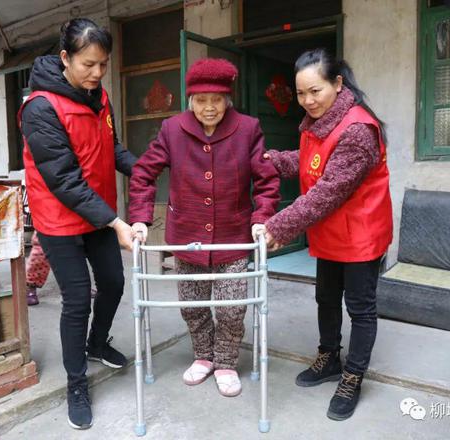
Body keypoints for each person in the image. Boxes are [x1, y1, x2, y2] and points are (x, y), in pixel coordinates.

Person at [129, 58, 280, 398]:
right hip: (187, 237)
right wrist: (140, 217)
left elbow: (267, 180)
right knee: (192, 306)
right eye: (201, 100)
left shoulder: (248, 128)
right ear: (190, 100)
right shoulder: (172, 129)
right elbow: (143, 173)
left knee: (232, 307)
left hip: (233, 236)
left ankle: (225, 361)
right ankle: (203, 356)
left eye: (216, 99)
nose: (209, 107)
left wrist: (262, 218)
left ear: (228, 99)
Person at [18, 18, 137, 430]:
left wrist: (147, 168)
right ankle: (76, 382)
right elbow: (64, 181)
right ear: (65, 58)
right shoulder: (40, 108)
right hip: (60, 220)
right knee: (77, 299)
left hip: (98, 212)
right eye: (89, 64)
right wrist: (117, 223)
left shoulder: (98, 97)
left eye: (103, 64)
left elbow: (111, 148)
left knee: (114, 282)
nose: (97, 73)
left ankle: (97, 343)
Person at [263, 48, 392, 421]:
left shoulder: (357, 129)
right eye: (301, 93)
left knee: (360, 308)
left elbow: (328, 191)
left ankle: (353, 376)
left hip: (360, 234)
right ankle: (329, 357)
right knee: (326, 297)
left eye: (315, 91)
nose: (307, 100)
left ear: (337, 84)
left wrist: (280, 225)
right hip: (331, 231)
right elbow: (310, 164)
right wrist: (272, 160)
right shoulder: (316, 122)